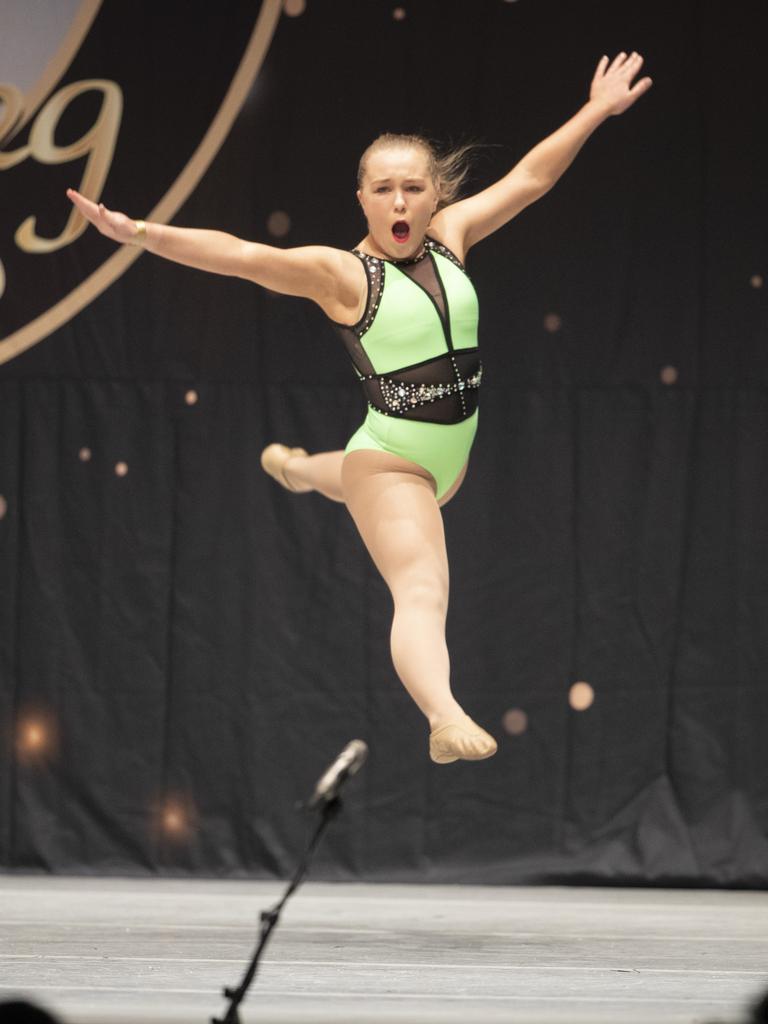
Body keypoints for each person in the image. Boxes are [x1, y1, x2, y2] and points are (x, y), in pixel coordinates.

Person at [67, 52, 652, 764]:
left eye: (413, 188)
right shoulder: (344, 274)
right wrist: (141, 234)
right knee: (423, 584)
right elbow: (241, 255)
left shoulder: (453, 239)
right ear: (362, 198)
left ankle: (294, 468)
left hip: (446, 463)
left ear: (436, 195)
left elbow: (531, 178)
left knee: (336, 473)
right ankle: (443, 716)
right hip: (396, 461)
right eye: (384, 189)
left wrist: (596, 108)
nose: (400, 203)